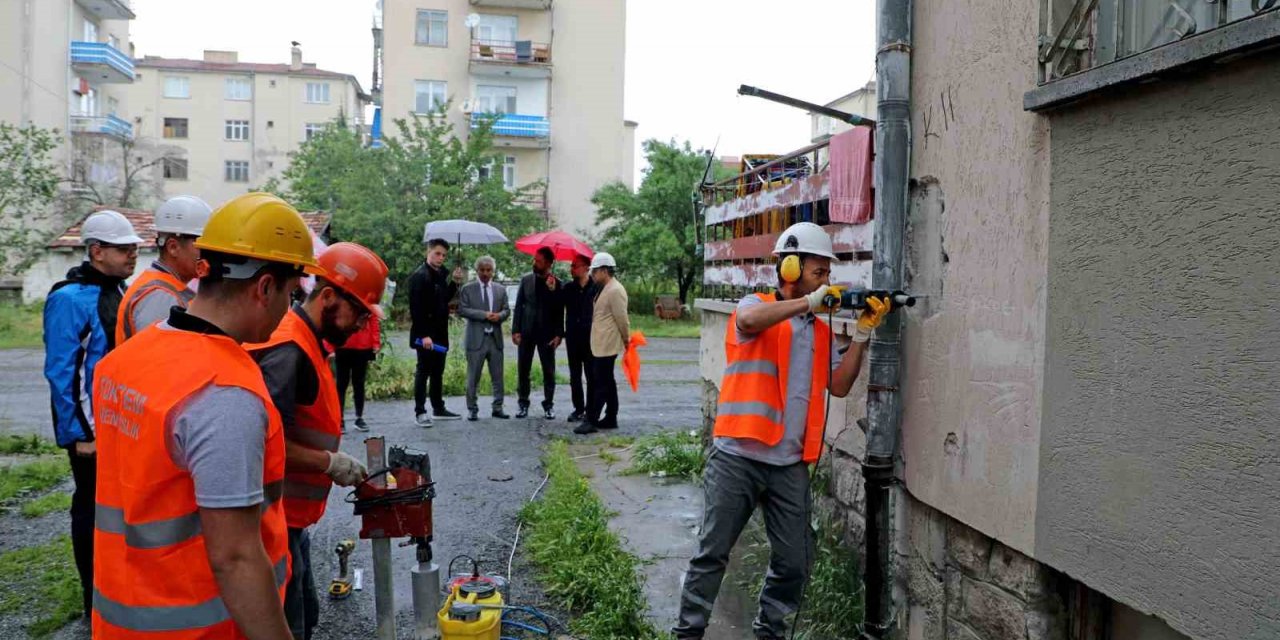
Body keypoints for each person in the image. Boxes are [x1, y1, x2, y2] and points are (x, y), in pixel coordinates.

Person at [90, 192, 322, 639]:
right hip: (200, 626)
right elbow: (235, 557)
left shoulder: (127, 360)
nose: (289, 311)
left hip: (121, 619)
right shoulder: (224, 394)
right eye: (291, 295)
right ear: (266, 287)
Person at [673, 222, 891, 640]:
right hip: (737, 456)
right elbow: (751, 320)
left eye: (827, 272)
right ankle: (687, 634)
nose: (826, 279)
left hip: (788, 464)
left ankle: (769, 633)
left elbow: (841, 385)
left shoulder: (820, 331)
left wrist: (862, 336)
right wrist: (808, 302)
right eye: (818, 270)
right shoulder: (754, 305)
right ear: (789, 267)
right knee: (712, 554)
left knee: (796, 561)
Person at [248, 242, 383, 640]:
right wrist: (329, 463)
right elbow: (260, 442)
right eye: (358, 313)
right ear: (327, 297)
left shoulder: (310, 342)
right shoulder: (289, 350)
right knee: (289, 624)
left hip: (291, 518)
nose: (361, 325)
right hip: (271, 520)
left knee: (306, 613)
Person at [42, 209, 140, 619]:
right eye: (123, 248)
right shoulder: (68, 298)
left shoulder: (118, 290)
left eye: (135, 247)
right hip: (91, 434)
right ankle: (93, 599)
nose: (133, 254)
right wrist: (80, 433)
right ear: (97, 251)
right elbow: (64, 373)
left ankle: (116, 590)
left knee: (117, 512)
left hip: (118, 427)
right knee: (90, 510)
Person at [115, 195, 212, 344]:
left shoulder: (167, 288)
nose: (209, 253)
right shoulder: (160, 296)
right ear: (173, 247)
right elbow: (158, 359)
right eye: (201, 245)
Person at [409, 237, 462, 427]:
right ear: (428, 252)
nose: (440, 258)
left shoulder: (439, 275)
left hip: (440, 333)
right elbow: (416, 309)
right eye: (437, 253)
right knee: (423, 371)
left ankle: (438, 407)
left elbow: (443, 301)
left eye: (444, 255)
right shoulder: (420, 276)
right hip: (425, 336)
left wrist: (455, 283)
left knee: (438, 371)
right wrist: (423, 335)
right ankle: (420, 412)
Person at [576, 252, 629, 435]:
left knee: (599, 382)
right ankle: (611, 416)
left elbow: (622, 318)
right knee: (607, 381)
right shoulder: (604, 287)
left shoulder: (615, 290)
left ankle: (591, 419)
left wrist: (626, 339)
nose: (592, 275)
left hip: (608, 343)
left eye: (595, 271)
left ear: (605, 271)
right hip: (600, 342)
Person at [457, 255, 511, 421]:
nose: (485, 273)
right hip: (476, 340)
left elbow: (507, 310)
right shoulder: (467, 289)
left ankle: (498, 407)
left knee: (498, 376)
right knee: (473, 377)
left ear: (493, 271)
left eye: (489, 270)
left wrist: (500, 316)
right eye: (482, 270)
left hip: (495, 339)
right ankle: (472, 409)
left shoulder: (500, 290)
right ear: (477, 270)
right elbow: (463, 310)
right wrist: (484, 315)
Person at [512, 247, 564, 419]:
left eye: (539, 261)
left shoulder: (557, 283)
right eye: (534, 260)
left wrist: (559, 334)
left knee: (549, 371)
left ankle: (548, 405)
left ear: (549, 263)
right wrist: (515, 330)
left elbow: (559, 310)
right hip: (527, 331)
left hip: (547, 334)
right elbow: (519, 306)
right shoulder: (526, 280)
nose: (535, 263)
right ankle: (523, 404)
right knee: (523, 370)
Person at [561, 254, 597, 424]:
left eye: (575, 266)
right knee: (574, 375)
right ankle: (578, 408)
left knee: (591, 375)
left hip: (590, 337)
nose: (572, 269)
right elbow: (557, 308)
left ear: (586, 267)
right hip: (573, 337)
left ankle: (591, 410)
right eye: (571, 265)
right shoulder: (568, 288)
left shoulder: (596, 287)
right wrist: (553, 290)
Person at [335, 313, 380, 432]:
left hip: (362, 346)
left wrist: (375, 342)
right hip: (342, 344)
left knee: (359, 383)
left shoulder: (368, 299)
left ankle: (359, 417)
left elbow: (374, 319)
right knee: (341, 384)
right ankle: (339, 419)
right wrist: (329, 344)